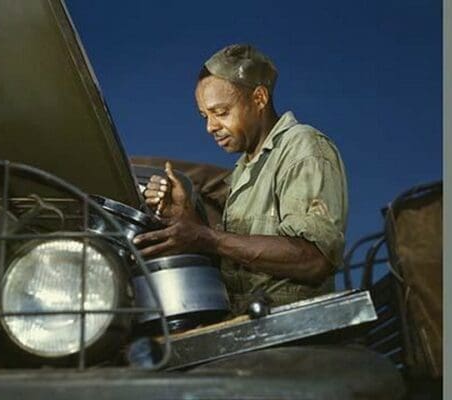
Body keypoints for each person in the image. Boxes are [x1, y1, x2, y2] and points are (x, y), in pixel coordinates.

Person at [132, 44, 348, 313]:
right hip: (249, 322)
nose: (210, 127)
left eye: (221, 112)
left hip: (296, 329)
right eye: (205, 116)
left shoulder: (302, 147)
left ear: (259, 98)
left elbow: (313, 259)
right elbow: (234, 256)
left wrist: (206, 237)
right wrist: (187, 218)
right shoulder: (245, 169)